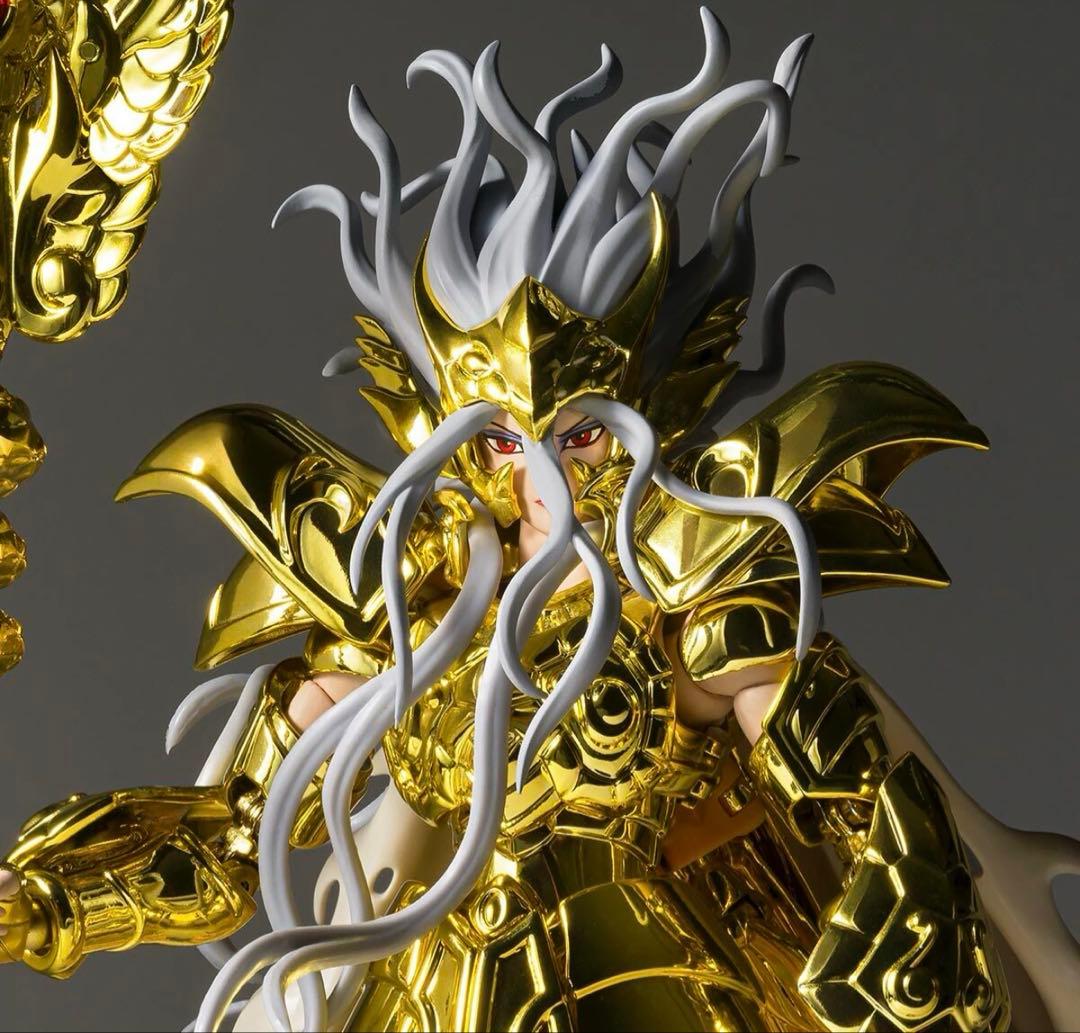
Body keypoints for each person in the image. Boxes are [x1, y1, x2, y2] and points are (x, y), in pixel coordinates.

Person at [2, 9, 1078, 1032]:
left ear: (644, 408)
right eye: (503, 443)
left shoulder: (696, 599)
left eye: (579, 435)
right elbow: (236, 836)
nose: (539, 476)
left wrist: (915, 948)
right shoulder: (411, 607)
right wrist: (52, 903)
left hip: (653, 987)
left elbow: (869, 815)